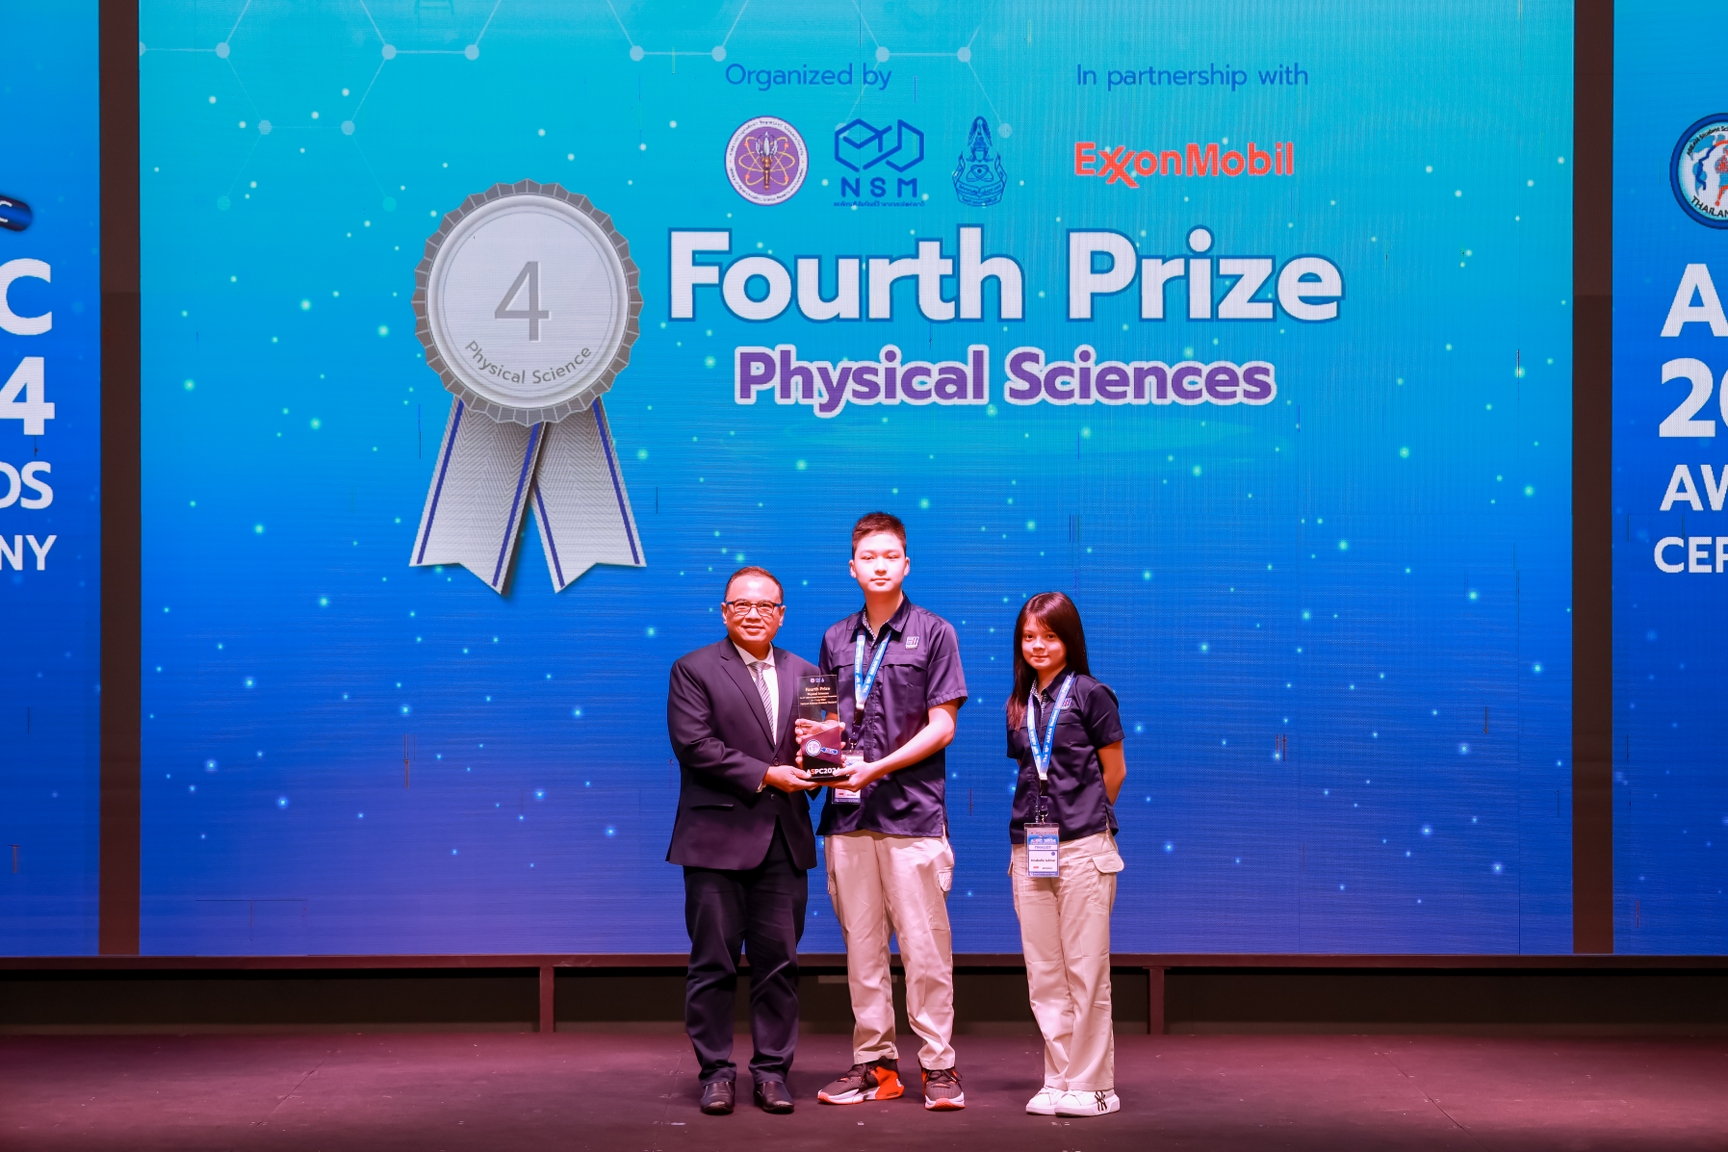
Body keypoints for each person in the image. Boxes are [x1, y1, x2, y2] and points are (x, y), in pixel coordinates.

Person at [800, 512, 970, 1111]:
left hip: (912, 814)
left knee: (925, 949)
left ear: (906, 564)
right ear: (852, 567)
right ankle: (875, 1065)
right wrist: (814, 747)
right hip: (848, 817)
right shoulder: (834, 639)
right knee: (863, 949)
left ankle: (939, 1065)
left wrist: (876, 767)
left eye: (890, 556)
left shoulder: (935, 632)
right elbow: (827, 724)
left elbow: (943, 726)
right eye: (868, 557)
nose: (879, 565)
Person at [666, 566, 820, 1116]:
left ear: (781, 614)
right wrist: (769, 774)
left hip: (784, 840)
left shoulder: (809, 674)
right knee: (713, 963)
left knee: (780, 965)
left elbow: (819, 753)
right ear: (725, 611)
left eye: (765, 606)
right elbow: (694, 745)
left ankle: (772, 1072)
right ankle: (715, 1073)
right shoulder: (694, 668)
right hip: (716, 841)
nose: (754, 614)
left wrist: (821, 761)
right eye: (742, 605)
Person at [1004, 592, 1127, 1118]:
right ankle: (1059, 1079)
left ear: (1069, 640)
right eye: (1029, 637)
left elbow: (1114, 771)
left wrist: (1084, 818)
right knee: (1044, 972)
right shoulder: (1019, 702)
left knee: (1085, 971)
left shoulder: (1092, 694)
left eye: (1050, 636)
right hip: (1030, 847)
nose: (1038, 645)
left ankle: (1095, 1085)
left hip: (1083, 848)